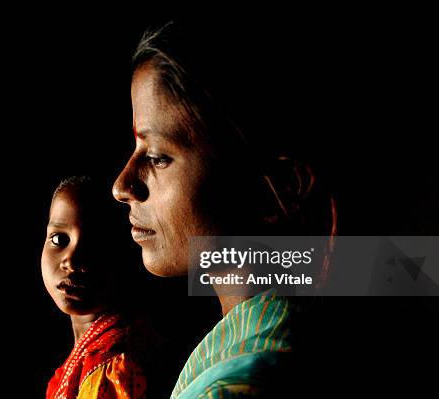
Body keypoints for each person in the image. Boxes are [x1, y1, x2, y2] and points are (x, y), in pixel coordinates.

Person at [112, 22, 337, 398]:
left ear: (277, 188)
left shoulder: (240, 385)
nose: (121, 186)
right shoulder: (263, 345)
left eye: (157, 157)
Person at [42, 176, 147, 399]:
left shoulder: (116, 366)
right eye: (60, 239)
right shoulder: (81, 361)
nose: (71, 260)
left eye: (95, 246)